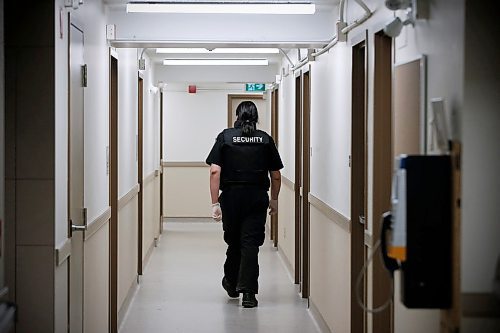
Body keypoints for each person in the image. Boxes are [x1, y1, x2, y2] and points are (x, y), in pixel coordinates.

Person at [206, 100, 283, 308]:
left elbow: (215, 171)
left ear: (238, 116)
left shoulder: (226, 136)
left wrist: (215, 203)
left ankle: (231, 283)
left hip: (231, 198)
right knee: (250, 244)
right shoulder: (265, 139)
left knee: (234, 242)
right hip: (257, 197)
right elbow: (275, 175)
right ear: (256, 117)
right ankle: (248, 293)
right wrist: (274, 199)